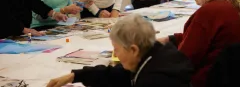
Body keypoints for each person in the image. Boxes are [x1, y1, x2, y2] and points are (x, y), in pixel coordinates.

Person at [46, 14, 194, 87]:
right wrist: (75, 76)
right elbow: (119, 74)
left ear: (133, 49)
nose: (115, 54)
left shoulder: (154, 80)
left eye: (116, 49)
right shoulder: (154, 54)